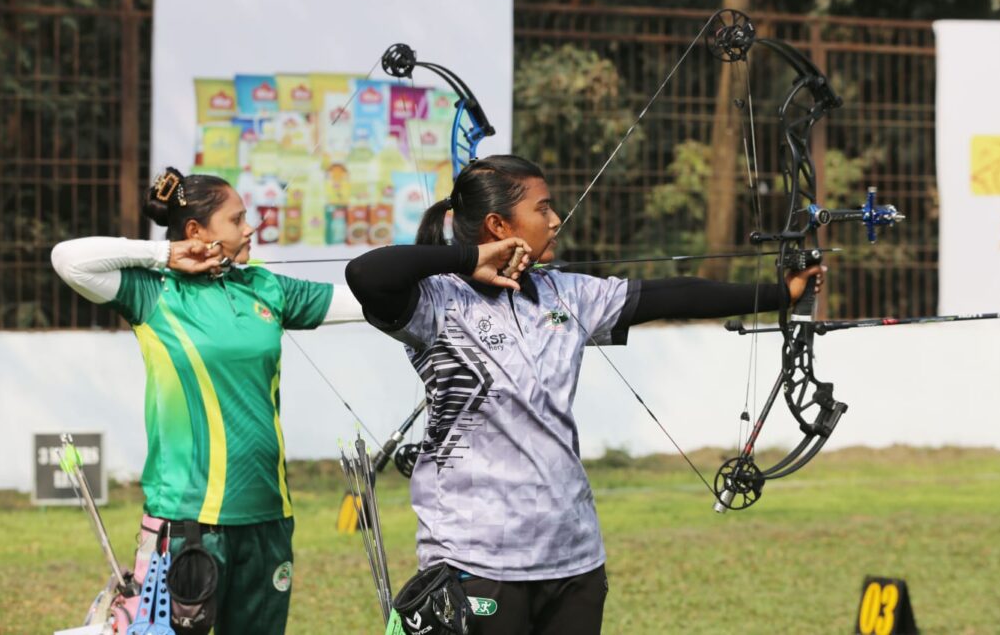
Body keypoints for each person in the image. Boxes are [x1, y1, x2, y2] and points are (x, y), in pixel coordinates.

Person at [345, 155, 822, 635]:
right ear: (497, 224)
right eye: (543, 208)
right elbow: (367, 274)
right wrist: (468, 258)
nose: (555, 220)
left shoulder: (567, 294)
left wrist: (779, 294)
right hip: (476, 557)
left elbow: (673, 294)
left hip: (572, 556)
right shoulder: (437, 303)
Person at [51, 168, 363, 635]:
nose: (249, 228)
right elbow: (67, 258)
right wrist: (164, 254)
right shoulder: (153, 292)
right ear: (196, 232)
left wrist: (458, 268)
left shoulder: (265, 287)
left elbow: (364, 300)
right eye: (237, 220)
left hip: (268, 514)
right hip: (188, 520)